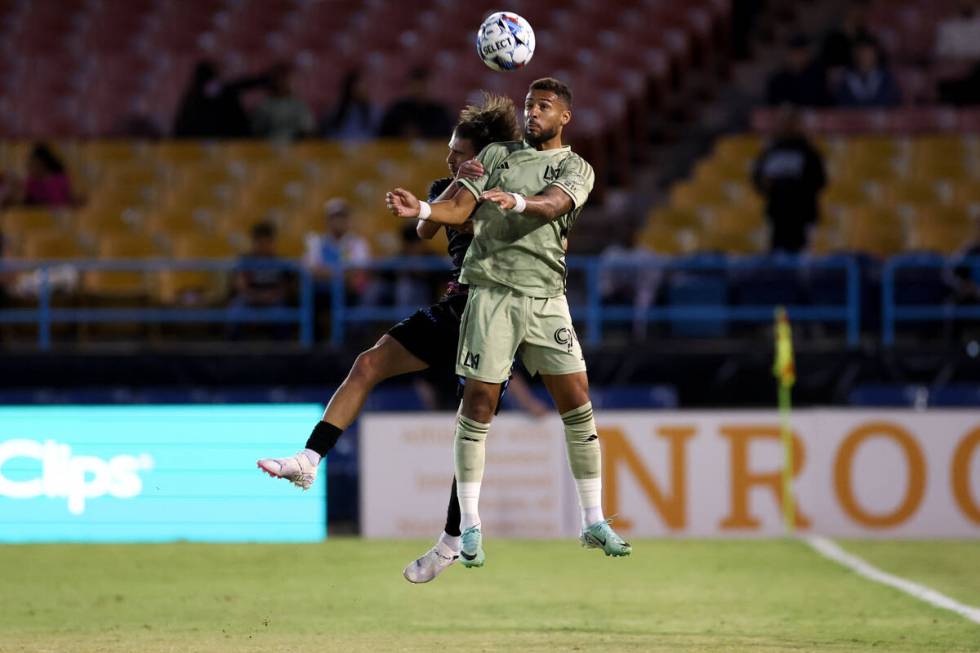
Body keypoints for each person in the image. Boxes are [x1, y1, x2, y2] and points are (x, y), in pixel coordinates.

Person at [258, 93, 534, 583]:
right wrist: (444, 192)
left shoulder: (511, 189)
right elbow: (430, 227)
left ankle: (452, 539)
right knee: (368, 363)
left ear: (482, 154)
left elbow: (483, 221)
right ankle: (309, 458)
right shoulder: (446, 186)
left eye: (458, 151)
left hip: (499, 315)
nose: (449, 156)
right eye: (449, 149)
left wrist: (467, 192)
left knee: (470, 426)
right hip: (457, 306)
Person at [386, 77, 632, 569]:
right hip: (492, 293)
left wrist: (515, 202)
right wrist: (426, 209)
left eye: (544, 106)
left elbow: (553, 205)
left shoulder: (574, 166)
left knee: (578, 400)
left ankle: (593, 518)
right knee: (479, 402)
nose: (533, 112)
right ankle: (470, 527)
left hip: (546, 298)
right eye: (529, 105)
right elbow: (458, 206)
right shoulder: (498, 154)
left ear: (565, 116)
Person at [752, 107, 827, 254]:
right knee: (777, 259)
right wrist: (765, 184)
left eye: (791, 121)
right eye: (783, 121)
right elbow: (757, 179)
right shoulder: (771, 151)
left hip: (802, 215)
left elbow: (820, 181)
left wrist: (793, 187)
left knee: (802, 260)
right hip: (777, 216)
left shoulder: (808, 151)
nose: (787, 125)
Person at [173, 60, 271, 138]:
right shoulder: (201, 95)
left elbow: (239, 85)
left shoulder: (191, 96)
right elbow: (239, 85)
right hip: (209, 140)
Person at [229, 222, 293, 339]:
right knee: (236, 311)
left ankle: (284, 351)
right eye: (260, 242)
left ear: (272, 242)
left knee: (283, 313)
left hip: (273, 300)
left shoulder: (279, 262)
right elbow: (240, 285)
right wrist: (255, 296)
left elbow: (284, 287)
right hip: (249, 299)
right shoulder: (245, 260)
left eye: (267, 242)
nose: (263, 246)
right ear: (254, 242)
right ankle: (232, 349)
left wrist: (272, 296)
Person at [302, 197, 372, 304]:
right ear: (327, 220)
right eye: (335, 217)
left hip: (349, 292)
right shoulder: (317, 242)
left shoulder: (358, 243)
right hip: (322, 291)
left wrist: (328, 272)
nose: (339, 221)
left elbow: (359, 271)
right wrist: (341, 274)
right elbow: (311, 269)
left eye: (342, 217)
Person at [377, 67, 454, 138]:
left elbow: (447, 137)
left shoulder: (440, 112)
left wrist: (423, 135)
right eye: (415, 87)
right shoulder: (397, 111)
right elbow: (384, 137)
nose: (419, 91)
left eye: (423, 87)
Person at [251, 63, 315, 141]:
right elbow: (256, 132)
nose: (282, 83)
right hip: (268, 148)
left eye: (285, 79)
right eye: (278, 79)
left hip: (295, 149)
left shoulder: (299, 106)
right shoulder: (264, 106)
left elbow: (308, 131)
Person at [833, 38, 902, 108]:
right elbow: (841, 104)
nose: (865, 56)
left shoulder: (886, 78)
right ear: (855, 54)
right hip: (851, 118)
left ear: (876, 54)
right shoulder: (845, 78)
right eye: (862, 52)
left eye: (869, 52)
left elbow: (889, 103)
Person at [766, 35, 830, 107]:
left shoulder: (818, 76)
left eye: (801, 53)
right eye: (794, 53)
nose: (797, 57)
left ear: (807, 54)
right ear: (787, 54)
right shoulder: (777, 80)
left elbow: (824, 104)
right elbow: (772, 107)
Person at [321, 70, 380, 140]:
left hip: (368, 149)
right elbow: (330, 134)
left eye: (362, 86)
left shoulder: (374, 112)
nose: (360, 90)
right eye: (357, 87)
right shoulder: (336, 111)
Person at [21, 143, 75, 208]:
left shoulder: (60, 179)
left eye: (33, 164)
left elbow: (64, 201)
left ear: (43, 164)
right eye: (29, 164)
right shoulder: (30, 181)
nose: (29, 168)